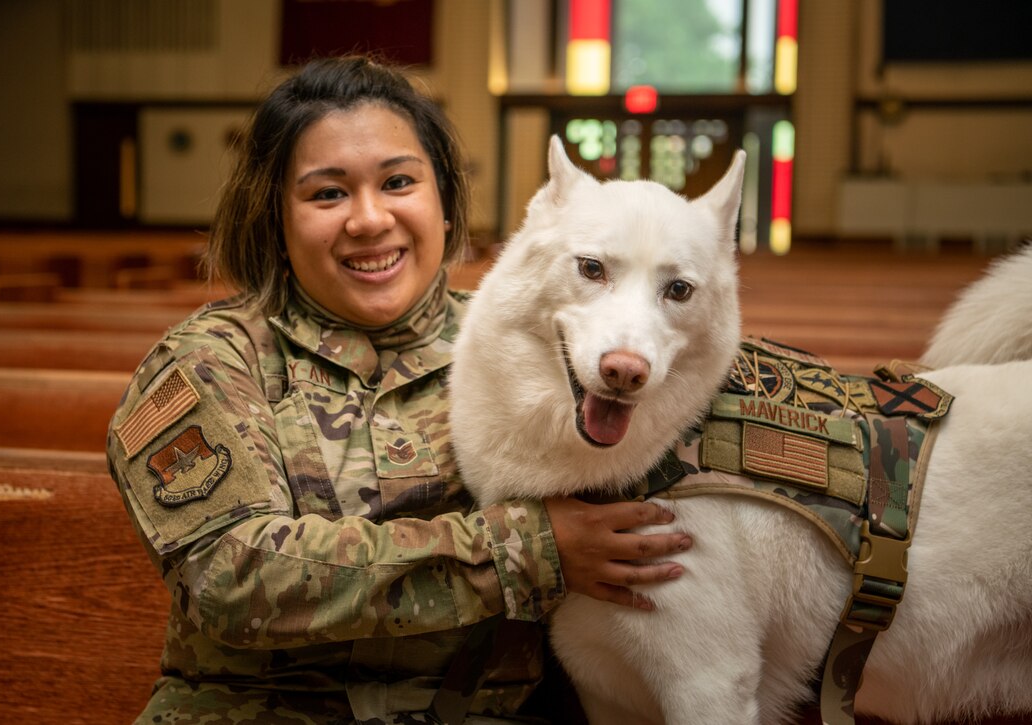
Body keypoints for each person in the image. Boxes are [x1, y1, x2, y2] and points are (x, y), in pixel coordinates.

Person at [106, 55, 692, 724]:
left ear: (443, 203)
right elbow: (233, 577)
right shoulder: (208, 363)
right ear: (276, 219)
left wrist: (847, 600)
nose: (368, 218)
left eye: (398, 182)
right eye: (327, 193)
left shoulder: (535, 342)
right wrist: (529, 549)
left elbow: (745, 428)